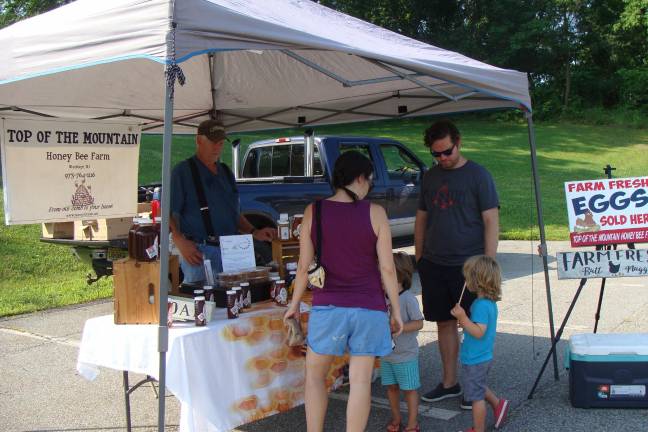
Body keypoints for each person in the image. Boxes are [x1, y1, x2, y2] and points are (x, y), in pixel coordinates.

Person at [284, 150, 403, 432]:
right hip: (369, 307)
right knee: (360, 382)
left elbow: (303, 266)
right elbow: (388, 269)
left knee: (314, 376)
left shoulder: (315, 211)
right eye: (370, 181)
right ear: (360, 178)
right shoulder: (375, 213)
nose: (370, 187)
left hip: (328, 307)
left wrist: (294, 304)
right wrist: (396, 310)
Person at [415, 119, 499, 408]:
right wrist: (419, 256)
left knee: (475, 327)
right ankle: (449, 383)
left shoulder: (478, 175)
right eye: (436, 154)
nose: (442, 159)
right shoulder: (430, 177)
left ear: (458, 142)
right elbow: (422, 217)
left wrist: (489, 264)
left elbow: (491, 220)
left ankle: (473, 388)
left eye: (446, 152)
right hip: (434, 262)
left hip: (470, 267)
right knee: (445, 322)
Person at [169, 119, 274, 282]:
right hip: (199, 252)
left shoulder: (226, 172)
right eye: (213, 142)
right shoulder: (183, 172)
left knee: (237, 301)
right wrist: (179, 241)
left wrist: (254, 232)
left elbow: (234, 213)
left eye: (220, 143)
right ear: (198, 140)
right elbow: (169, 212)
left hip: (232, 252)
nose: (218, 147)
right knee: (204, 303)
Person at [450, 255, 509, 432]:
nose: (465, 280)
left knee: (476, 398)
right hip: (480, 356)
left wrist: (462, 318)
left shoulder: (480, 305)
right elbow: (477, 327)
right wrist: (467, 322)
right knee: (478, 386)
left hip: (476, 358)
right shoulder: (487, 303)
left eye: (468, 277)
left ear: (478, 280)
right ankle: (499, 404)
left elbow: (478, 332)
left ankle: (478, 429)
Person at [381, 252, 424, 432]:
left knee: (409, 389)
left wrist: (400, 327)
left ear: (398, 275)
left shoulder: (407, 298)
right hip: (386, 354)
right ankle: (397, 417)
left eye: (383, 274)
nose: (380, 278)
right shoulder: (380, 297)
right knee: (391, 387)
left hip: (405, 355)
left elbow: (419, 322)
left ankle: (413, 422)